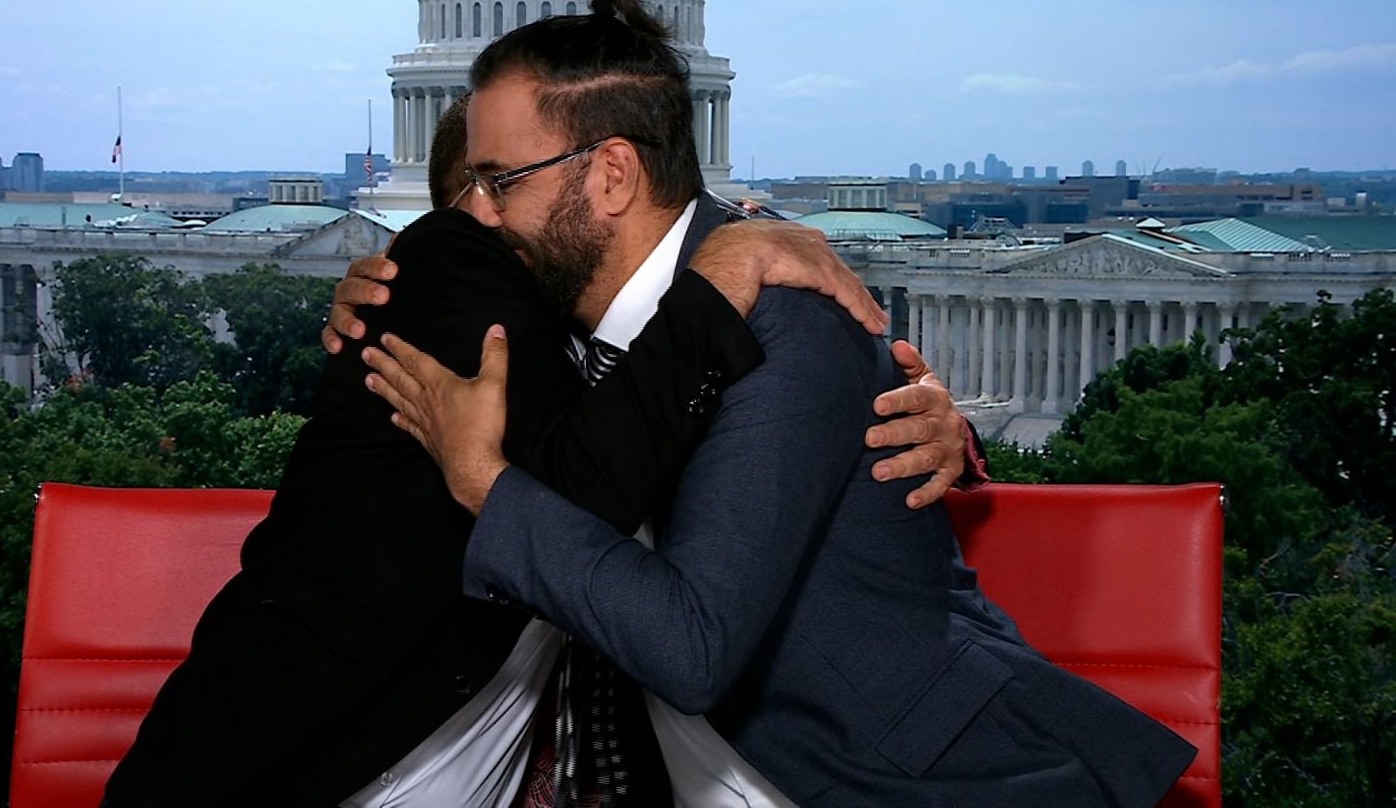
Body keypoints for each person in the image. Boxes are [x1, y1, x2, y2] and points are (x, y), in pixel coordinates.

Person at [365, 0, 1198, 807]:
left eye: (499, 182)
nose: (480, 218)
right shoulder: (547, 316)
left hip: (893, 778)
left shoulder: (781, 312)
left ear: (611, 173)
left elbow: (692, 646)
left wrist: (484, 482)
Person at [103, 94, 967, 805]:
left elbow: (728, 457)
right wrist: (720, 282)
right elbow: (574, 496)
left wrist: (920, 414)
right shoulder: (452, 293)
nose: (501, 227)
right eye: (484, 198)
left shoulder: (619, 369)